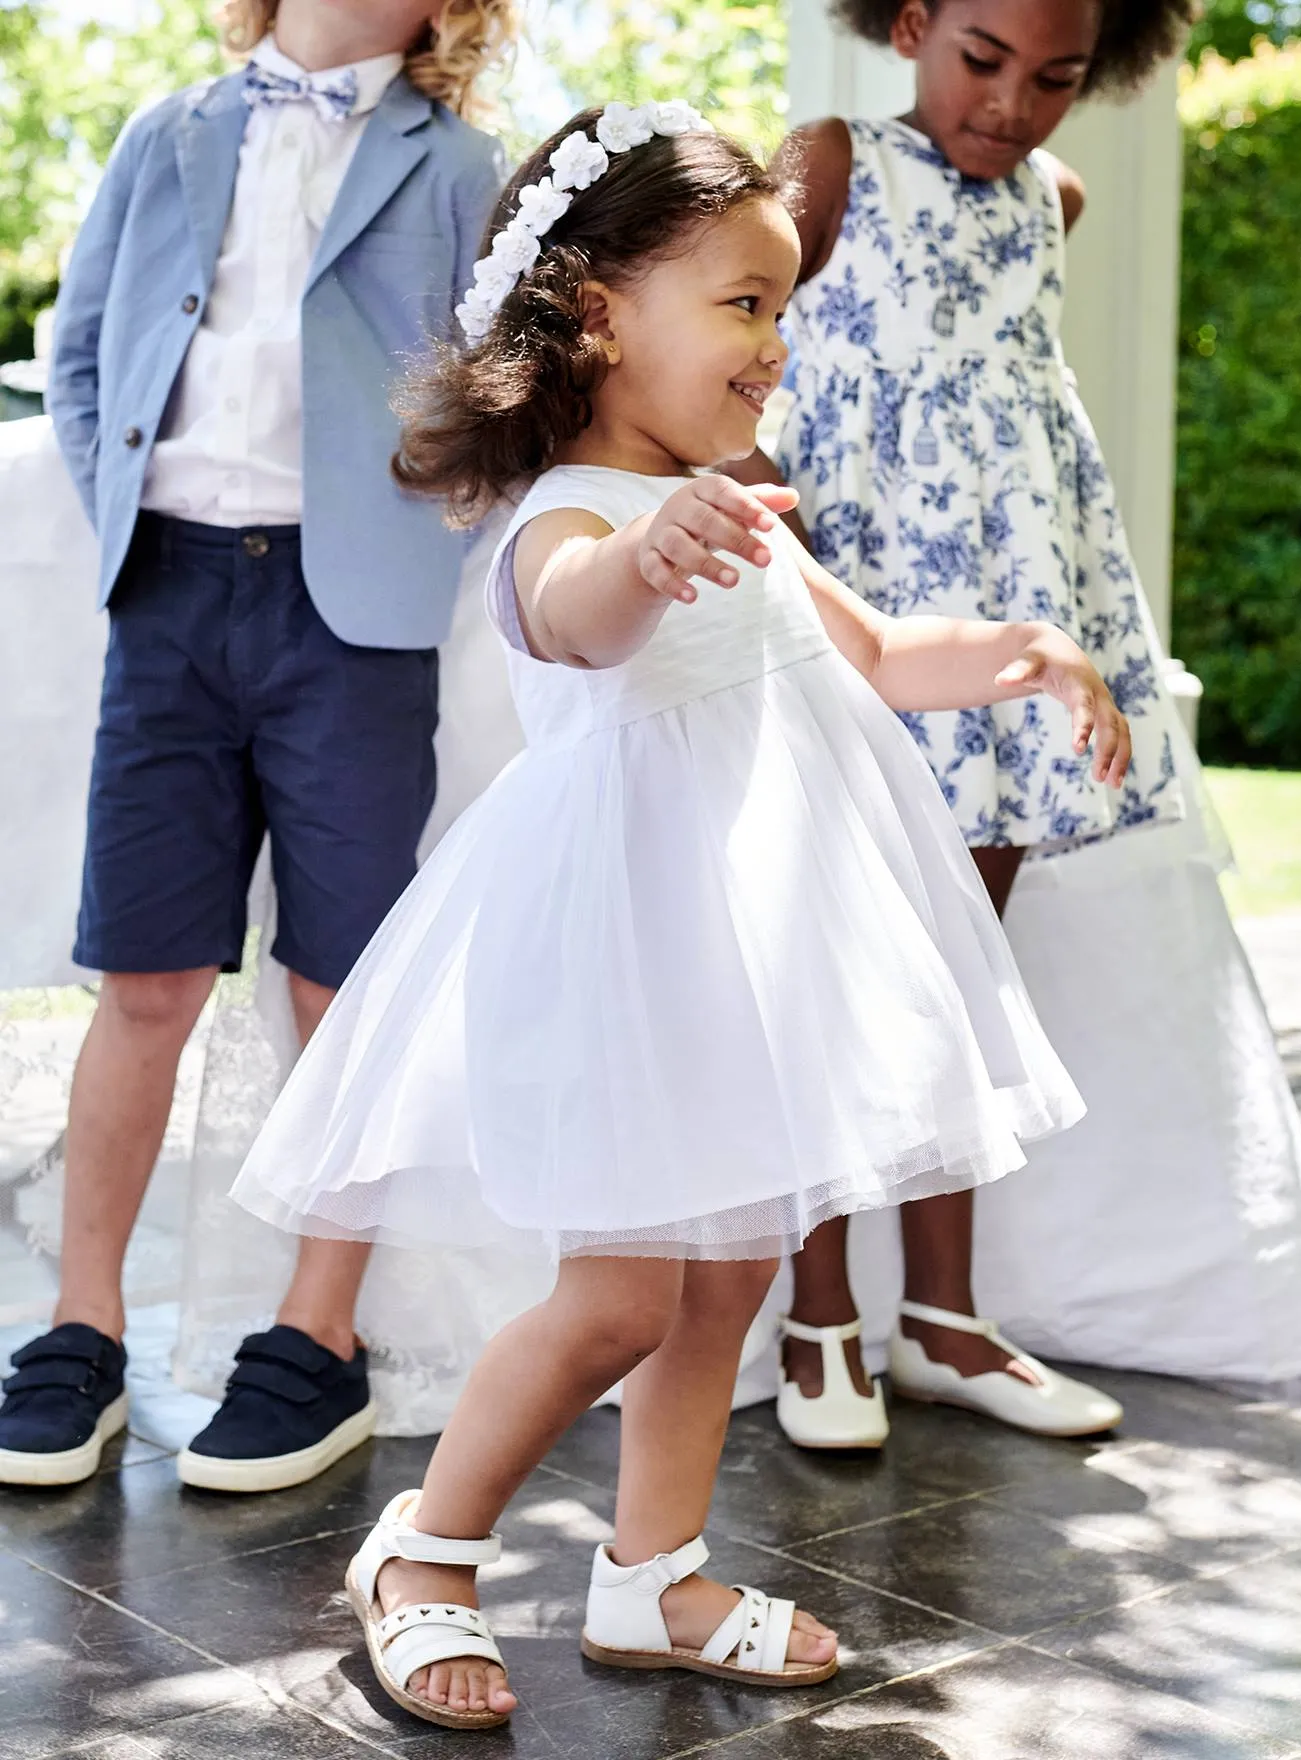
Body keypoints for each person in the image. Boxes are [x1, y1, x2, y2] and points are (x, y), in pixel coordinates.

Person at [230, 101, 1130, 1729]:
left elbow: (872, 660)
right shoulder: (572, 517)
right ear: (596, 315)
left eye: (782, 306)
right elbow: (573, 619)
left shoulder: (737, 507)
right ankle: (422, 1555)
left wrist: (1022, 649)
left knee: (728, 1281)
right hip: (621, 971)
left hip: (743, 966)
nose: (774, 342)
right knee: (622, 1297)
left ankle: (655, 1571)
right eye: (742, 303)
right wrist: (652, 556)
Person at [0, 0, 514, 1493]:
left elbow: (501, 380)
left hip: (349, 616)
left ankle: (317, 1337)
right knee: (145, 969)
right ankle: (79, 1327)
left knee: (337, 978)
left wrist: (427, 524)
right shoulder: (167, 134)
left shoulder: (460, 166)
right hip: (170, 591)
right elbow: (87, 349)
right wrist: (138, 535)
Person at [725, 0, 1198, 1450]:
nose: (1013, 106)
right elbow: (741, 334)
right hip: (858, 610)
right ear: (915, 22)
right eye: (983, 59)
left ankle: (942, 1319)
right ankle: (821, 1322)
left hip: (999, 631)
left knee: (960, 968)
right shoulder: (832, 161)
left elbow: (1026, 425)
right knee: (831, 963)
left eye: (1057, 79)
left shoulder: (1051, 201)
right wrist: (752, 515)